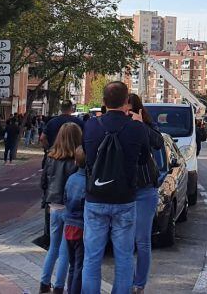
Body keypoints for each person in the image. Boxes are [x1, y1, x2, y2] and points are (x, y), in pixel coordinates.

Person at [81, 81, 149, 294]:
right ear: (127, 102)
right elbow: (144, 159)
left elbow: (86, 158)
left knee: (92, 258)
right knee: (125, 257)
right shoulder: (136, 128)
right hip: (124, 199)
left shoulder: (91, 126)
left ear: (103, 102)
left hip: (95, 198)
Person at [128, 94, 165, 294]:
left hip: (144, 188)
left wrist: (141, 124)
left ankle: (139, 284)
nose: (126, 114)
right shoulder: (117, 124)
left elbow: (159, 142)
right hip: (123, 190)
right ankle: (126, 281)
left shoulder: (145, 125)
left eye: (130, 110)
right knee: (123, 241)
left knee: (142, 240)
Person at [40, 122, 81, 293]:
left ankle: (44, 283)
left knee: (53, 247)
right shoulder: (76, 160)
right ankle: (58, 286)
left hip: (53, 205)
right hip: (68, 207)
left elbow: (44, 181)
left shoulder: (51, 157)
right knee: (65, 251)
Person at [62, 147, 88, 294]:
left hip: (69, 224)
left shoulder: (71, 179)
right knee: (79, 265)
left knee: (72, 264)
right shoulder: (88, 182)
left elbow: (65, 198)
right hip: (81, 225)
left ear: (76, 162)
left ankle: (70, 289)